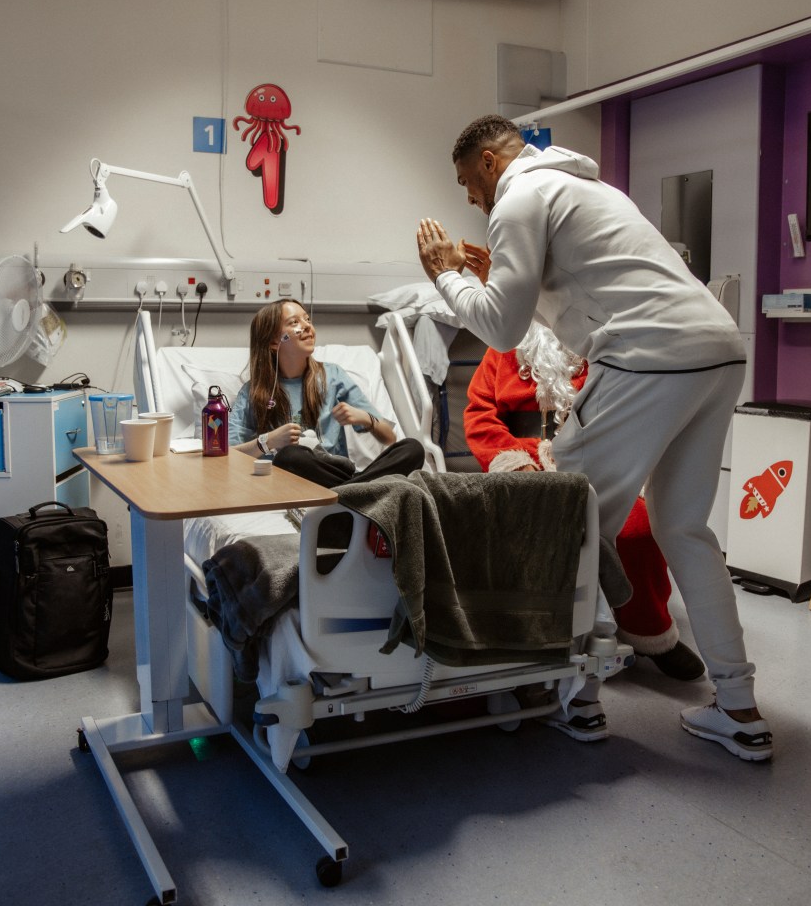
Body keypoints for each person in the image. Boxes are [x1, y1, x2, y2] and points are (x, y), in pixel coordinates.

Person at [416, 114, 772, 761]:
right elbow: (585, 291)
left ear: (490, 164)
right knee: (684, 529)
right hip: (717, 350)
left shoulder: (518, 196)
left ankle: (575, 703)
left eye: (469, 184)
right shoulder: (588, 189)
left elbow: (500, 328)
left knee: (571, 523)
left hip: (645, 359)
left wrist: (447, 276)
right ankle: (739, 708)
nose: (469, 199)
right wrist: (498, 270)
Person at [465, 318, 705, 683]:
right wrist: (516, 464)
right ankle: (535, 642)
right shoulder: (504, 343)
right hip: (523, 461)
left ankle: (651, 633)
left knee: (637, 530)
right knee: (529, 537)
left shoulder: (605, 345)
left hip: (596, 456)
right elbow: (479, 415)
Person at [228, 298, 425, 489]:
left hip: (337, 474)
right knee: (290, 456)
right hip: (293, 477)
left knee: (412, 449)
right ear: (273, 342)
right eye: (294, 322)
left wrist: (365, 418)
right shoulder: (253, 393)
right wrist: (269, 440)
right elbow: (229, 455)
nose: (306, 326)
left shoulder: (332, 376)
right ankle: (357, 493)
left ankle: (346, 493)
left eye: (307, 319)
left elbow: (389, 437)